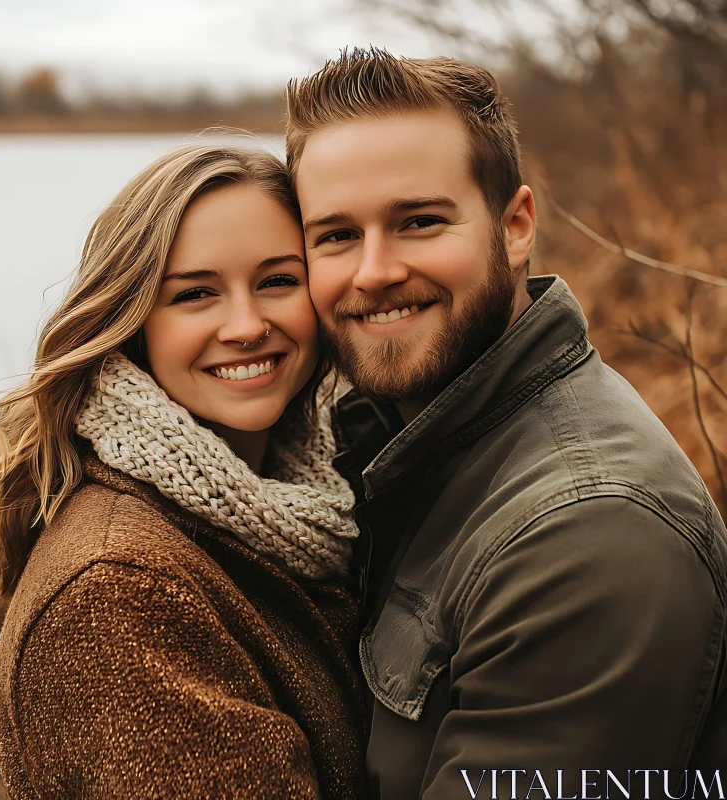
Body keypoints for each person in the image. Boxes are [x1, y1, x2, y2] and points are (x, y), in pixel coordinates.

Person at [285, 48, 727, 799]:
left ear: (516, 225)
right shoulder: (388, 446)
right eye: (335, 236)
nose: (374, 271)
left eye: (419, 221)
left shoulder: (590, 534)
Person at [0, 145, 368, 799]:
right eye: (196, 294)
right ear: (132, 322)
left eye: (277, 281)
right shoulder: (118, 593)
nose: (245, 325)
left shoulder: (314, 502)